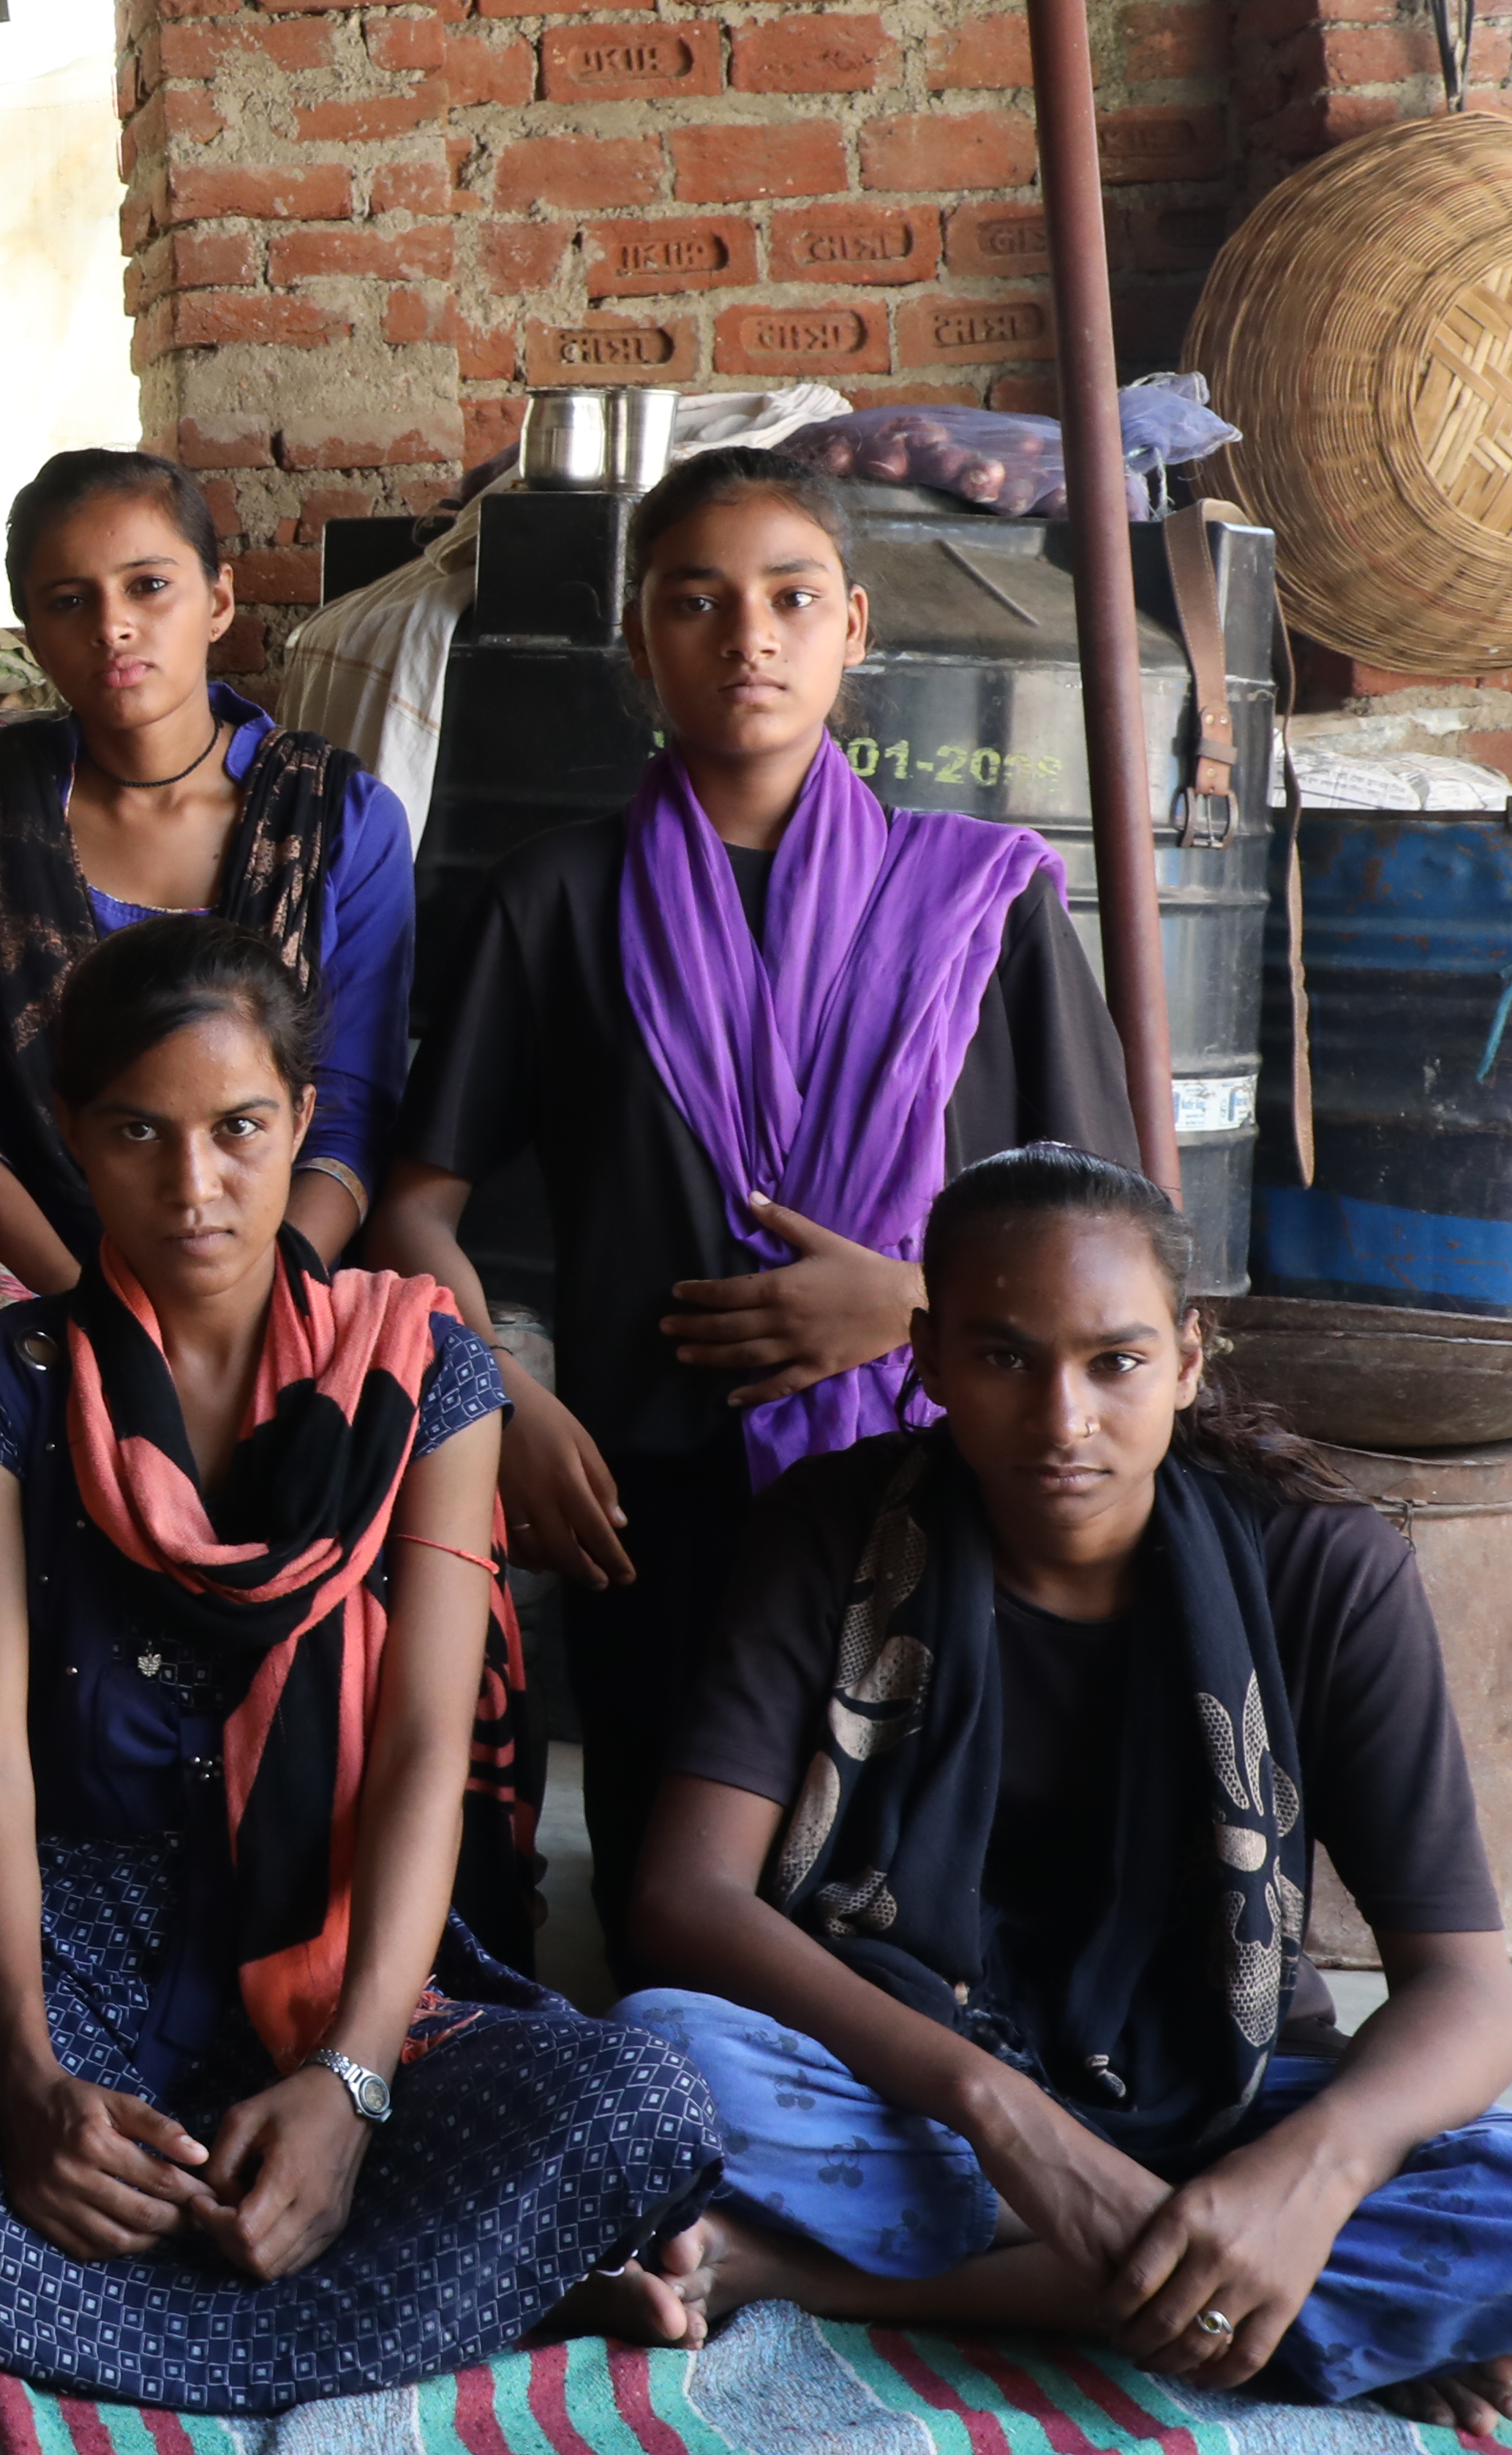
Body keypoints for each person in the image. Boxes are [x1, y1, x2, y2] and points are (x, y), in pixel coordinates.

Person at [0, 921, 720, 2410]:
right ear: (70, 1138)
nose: (194, 1183)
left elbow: (426, 1744)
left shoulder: (428, 1374)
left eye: (240, 1128)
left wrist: (354, 2090)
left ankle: (205, 2274)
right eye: (137, 1131)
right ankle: (445, 2292)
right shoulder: (4, 1379)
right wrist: (33, 2089)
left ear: (303, 1120)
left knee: (632, 2099)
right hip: (67, 1952)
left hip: (337, 1965)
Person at [625, 1146, 1512, 2435]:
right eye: (1004, 1357)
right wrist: (1011, 2120)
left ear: (1191, 1360)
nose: (1062, 1419)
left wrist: (1302, 2188)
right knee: (663, 2059)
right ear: (924, 1355)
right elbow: (686, 1900)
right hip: (928, 2109)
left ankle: (850, 2285)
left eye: (1115, 1361)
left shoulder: (1325, 1571)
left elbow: (1466, 1996)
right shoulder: (836, 1528)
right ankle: (1271, 2312)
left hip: (1234, 2101)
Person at [364, 444, 1139, 1968]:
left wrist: (912, 1305)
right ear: (636, 640)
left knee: (951, 1931)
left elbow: (1118, 1251)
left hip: (950, 1493)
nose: (748, 636)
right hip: (659, 1515)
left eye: (790, 597)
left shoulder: (988, 897)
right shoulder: (554, 899)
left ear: (853, 627)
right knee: (677, 1946)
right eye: (696, 601)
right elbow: (411, 1210)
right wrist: (504, 1394)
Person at [0, 451, 413, 1303]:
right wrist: (91, 1304)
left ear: (218, 600)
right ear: (30, 633)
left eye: (148, 586)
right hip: (41, 1270)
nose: (111, 626)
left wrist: (260, 1299)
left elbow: (349, 1108)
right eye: (68, 601)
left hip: (280, 1273)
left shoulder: (340, 818)